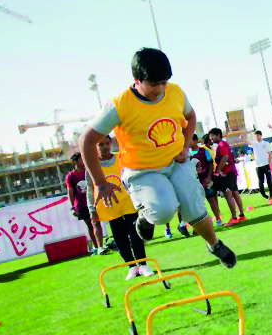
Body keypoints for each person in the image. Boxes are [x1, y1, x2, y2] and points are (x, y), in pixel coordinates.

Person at [78, 48, 237, 269]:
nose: (160, 89)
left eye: (164, 82)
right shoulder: (118, 105)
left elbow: (190, 117)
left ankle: (214, 244)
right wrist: (99, 182)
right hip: (143, 171)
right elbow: (85, 141)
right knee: (163, 211)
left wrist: (184, 145)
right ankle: (145, 217)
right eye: (154, 84)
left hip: (176, 162)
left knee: (194, 207)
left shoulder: (176, 92)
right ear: (137, 80)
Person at [85, 134, 153, 279]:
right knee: (120, 238)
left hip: (128, 202)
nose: (104, 147)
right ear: (95, 147)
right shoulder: (92, 165)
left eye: (106, 143)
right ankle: (131, 267)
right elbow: (90, 189)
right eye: (100, 144)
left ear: (111, 144)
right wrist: (92, 208)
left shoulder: (121, 158)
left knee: (135, 234)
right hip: (109, 205)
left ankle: (143, 265)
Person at [65, 153, 105, 254]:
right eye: (81, 159)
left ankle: (101, 245)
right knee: (90, 225)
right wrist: (73, 207)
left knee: (97, 222)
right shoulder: (70, 176)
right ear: (75, 162)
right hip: (82, 205)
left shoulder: (89, 171)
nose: (83, 161)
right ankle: (96, 248)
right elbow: (70, 191)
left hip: (94, 201)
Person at [209, 127, 249, 225]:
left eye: (212, 136)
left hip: (227, 173)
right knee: (235, 193)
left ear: (218, 135)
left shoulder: (221, 145)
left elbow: (225, 157)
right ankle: (242, 215)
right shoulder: (224, 144)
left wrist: (218, 170)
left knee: (228, 194)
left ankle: (234, 217)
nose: (211, 139)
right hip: (231, 172)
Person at [190, 134, 222, 227]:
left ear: (196, 140)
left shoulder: (203, 151)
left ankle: (218, 219)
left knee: (212, 200)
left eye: (190, 140)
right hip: (194, 183)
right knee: (197, 204)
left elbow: (210, 164)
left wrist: (208, 177)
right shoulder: (186, 154)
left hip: (205, 181)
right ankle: (199, 225)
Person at [247, 130, 272, 205]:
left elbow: (270, 153)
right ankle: (264, 195)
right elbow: (247, 142)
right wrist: (242, 137)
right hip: (258, 166)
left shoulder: (266, 143)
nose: (257, 137)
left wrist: (270, 163)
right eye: (255, 136)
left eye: (258, 135)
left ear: (261, 136)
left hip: (266, 164)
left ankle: (271, 196)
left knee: (269, 181)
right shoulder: (254, 144)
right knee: (261, 182)